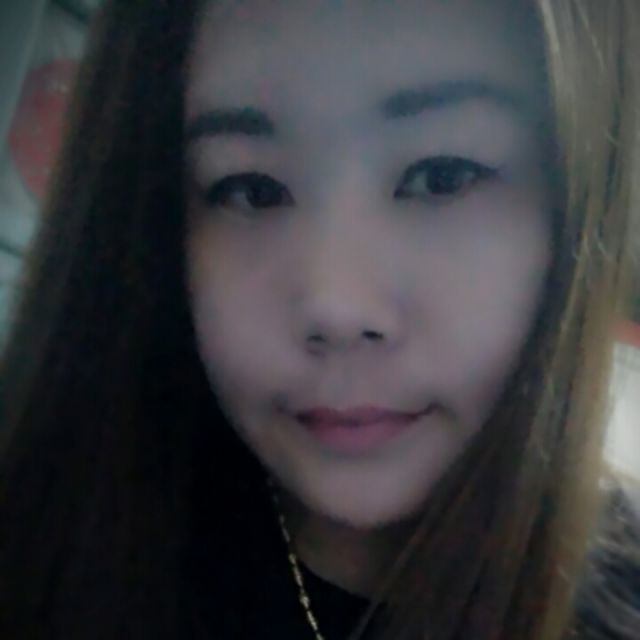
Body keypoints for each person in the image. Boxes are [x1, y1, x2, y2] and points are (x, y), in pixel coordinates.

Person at [0, 0, 639, 638]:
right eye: (251, 189)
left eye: (442, 177)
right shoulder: (53, 547)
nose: (337, 307)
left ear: (577, 197)